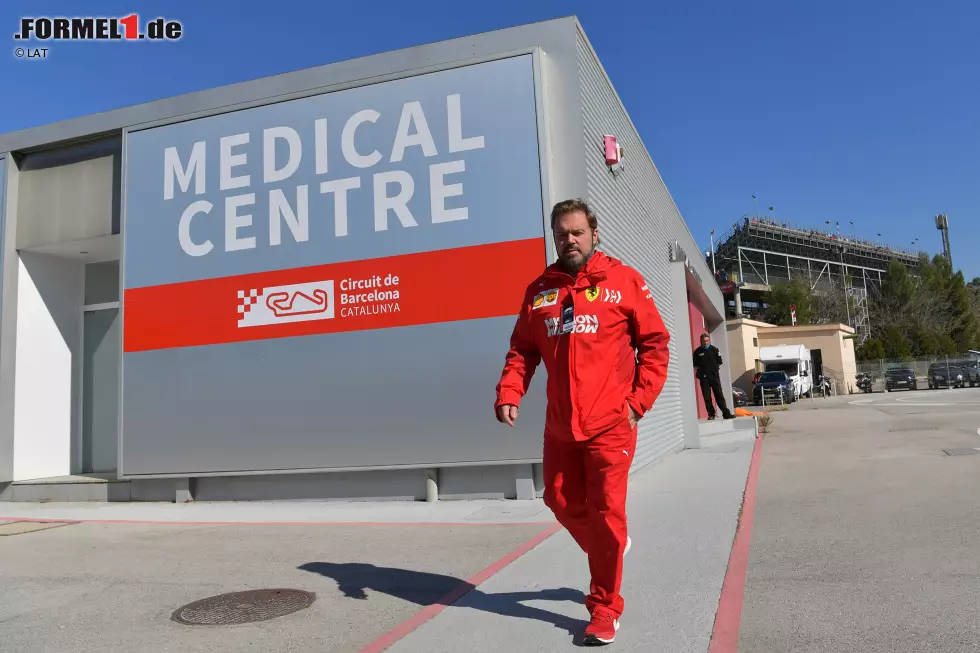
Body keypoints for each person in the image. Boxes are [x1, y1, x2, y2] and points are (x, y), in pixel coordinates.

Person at [494, 199, 671, 645]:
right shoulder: (540, 291)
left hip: (611, 422)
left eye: (576, 232)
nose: (569, 240)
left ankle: (605, 607)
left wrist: (636, 404)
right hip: (560, 425)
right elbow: (522, 349)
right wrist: (510, 391)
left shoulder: (624, 281)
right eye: (561, 234)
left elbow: (655, 345)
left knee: (608, 513)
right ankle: (606, 548)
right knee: (557, 498)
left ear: (593, 233)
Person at [693, 333, 733, 420]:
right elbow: (695, 365)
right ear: (701, 341)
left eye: (707, 341)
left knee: (719, 395)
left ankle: (726, 413)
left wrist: (713, 369)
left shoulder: (714, 349)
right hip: (704, 378)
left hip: (714, 377)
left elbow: (719, 361)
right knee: (707, 397)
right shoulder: (697, 352)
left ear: (709, 340)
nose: (705, 343)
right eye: (704, 341)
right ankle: (711, 414)